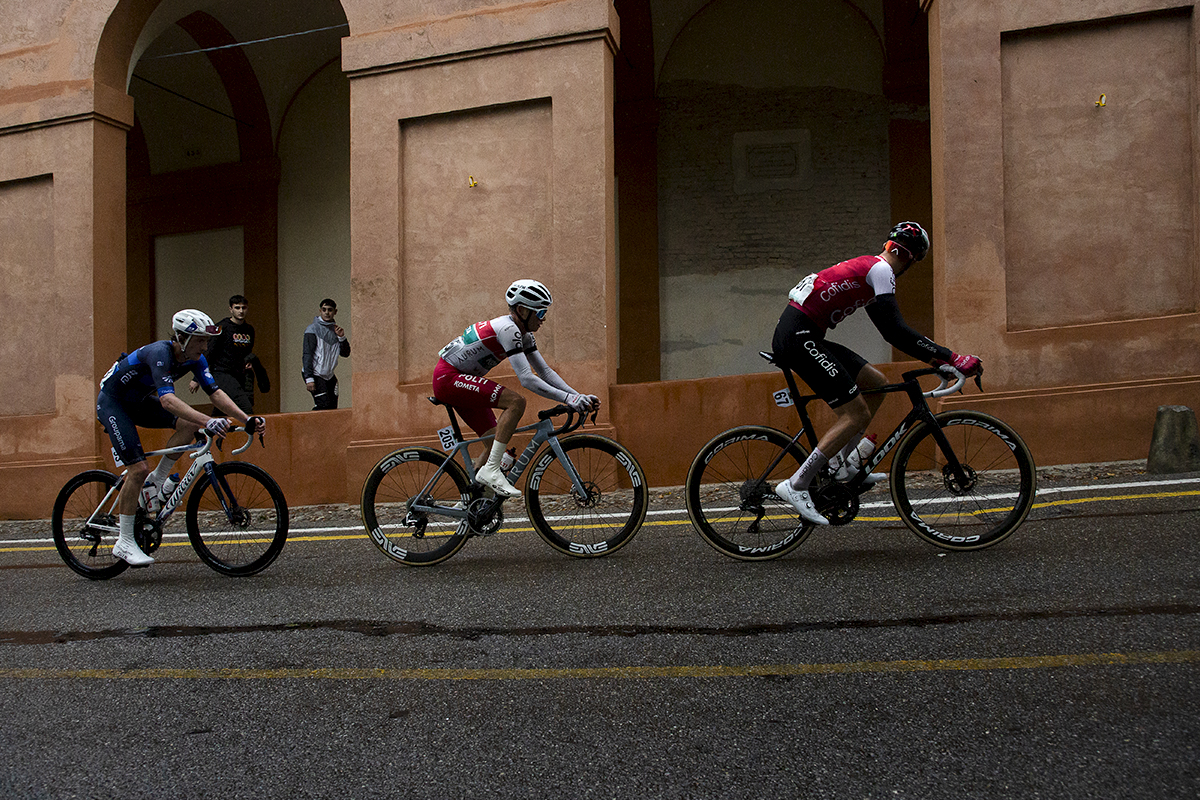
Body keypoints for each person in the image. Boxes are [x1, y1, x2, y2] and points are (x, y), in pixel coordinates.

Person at [771, 222, 983, 525]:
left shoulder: (871, 271)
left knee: (875, 384)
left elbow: (889, 332)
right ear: (909, 258)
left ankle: (841, 466)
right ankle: (796, 484)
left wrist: (937, 360)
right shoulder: (882, 271)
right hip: (798, 337)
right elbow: (896, 330)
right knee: (854, 414)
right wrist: (951, 356)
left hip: (804, 334)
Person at [96, 309, 264, 566]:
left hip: (138, 402)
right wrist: (208, 420)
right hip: (114, 403)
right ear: (182, 338)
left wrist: (246, 419)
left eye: (206, 341)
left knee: (187, 426)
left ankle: (159, 479)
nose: (205, 346)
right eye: (199, 340)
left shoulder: (196, 359)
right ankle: (125, 541)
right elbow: (167, 400)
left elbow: (216, 393)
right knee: (138, 469)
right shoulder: (159, 353)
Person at [433, 279, 600, 498]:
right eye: (540, 313)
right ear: (522, 310)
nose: (544, 319)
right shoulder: (508, 329)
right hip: (448, 379)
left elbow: (545, 372)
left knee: (495, 444)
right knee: (516, 401)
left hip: (461, 379)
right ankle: (492, 471)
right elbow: (527, 379)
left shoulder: (524, 334)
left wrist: (577, 397)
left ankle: (470, 506)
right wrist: (569, 399)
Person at [188, 294, 268, 413]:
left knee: (223, 408)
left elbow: (248, 351)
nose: (241, 311)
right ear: (231, 309)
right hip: (222, 373)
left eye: (243, 308)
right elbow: (208, 352)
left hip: (240, 373)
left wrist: (249, 362)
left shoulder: (249, 329)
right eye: (237, 308)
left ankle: (210, 431)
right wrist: (197, 378)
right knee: (244, 406)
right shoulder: (221, 327)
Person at [302, 298, 350, 410]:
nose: (327, 313)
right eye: (324, 310)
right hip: (315, 374)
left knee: (332, 408)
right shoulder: (312, 329)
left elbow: (345, 353)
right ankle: (312, 426)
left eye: (330, 310)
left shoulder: (336, 331)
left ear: (335, 312)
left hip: (329, 376)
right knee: (323, 405)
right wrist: (309, 378)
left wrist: (342, 337)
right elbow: (307, 354)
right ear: (320, 311)